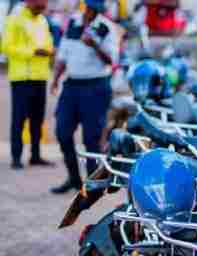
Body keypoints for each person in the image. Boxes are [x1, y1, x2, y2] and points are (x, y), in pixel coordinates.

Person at [50, 0, 118, 194]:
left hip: (95, 87)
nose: (90, 12)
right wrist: (55, 79)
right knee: (62, 132)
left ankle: (92, 183)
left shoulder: (106, 28)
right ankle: (73, 178)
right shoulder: (73, 22)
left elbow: (112, 60)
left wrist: (95, 45)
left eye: (94, 9)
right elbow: (63, 55)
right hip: (72, 86)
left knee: (92, 139)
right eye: (89, 7)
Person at [1, 0, 55, 170]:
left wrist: (50, 50)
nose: (41, 10)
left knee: (37, 119)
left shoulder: (42, 20)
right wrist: (33, 52)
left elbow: (48, 42)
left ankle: (35, 156)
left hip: (40, 76)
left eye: (44, 7)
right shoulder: (14, 19)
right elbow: (6, 47)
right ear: (29, 2)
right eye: (39, 6)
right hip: (22, 78)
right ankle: (16, 157)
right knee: (19, 119)